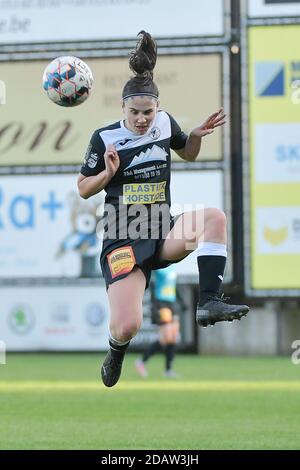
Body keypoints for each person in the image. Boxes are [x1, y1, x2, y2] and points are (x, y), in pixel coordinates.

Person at [77, 30, 249, 388]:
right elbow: (82, 189)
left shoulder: (165, 123)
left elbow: (186, 153)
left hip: (162, 228)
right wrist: (107, 173)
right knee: (128, 325)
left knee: (215, 218)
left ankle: (209, 302)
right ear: (122, 109)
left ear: (158, 108)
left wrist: (196, 137)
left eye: (149, 112)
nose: (143, 119)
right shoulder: (105, 139)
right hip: (124, 234)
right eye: (135, 113)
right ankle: (116, 351)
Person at [135, 265, 180, 378]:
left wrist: (181, 303)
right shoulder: (159, 267)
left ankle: (167, 370)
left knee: (172, 338)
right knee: (166, 338)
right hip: (161, 303)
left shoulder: (173, 266)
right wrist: (155, 309)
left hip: (172, 303)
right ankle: (142, 362)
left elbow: (173, 287)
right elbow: (152, 285)